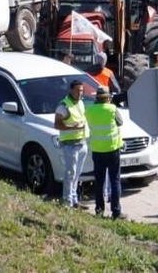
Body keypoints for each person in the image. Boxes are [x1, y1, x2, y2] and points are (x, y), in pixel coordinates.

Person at [86, 85, 125, 219]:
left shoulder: (90, 110)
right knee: (114, 181)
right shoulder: (112, 109)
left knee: (99, 182)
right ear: (108, 98)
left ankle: (99, 210)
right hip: (112, 149)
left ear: (96, 97)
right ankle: (116, 212)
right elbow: (120, 122)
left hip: (97, 150)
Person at [54, 79, 91, 208]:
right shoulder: (64, 106)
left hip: (81, 142)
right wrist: (73, 127)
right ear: (71, 90)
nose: (80, 93)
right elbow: (57, 124)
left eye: (81, 91)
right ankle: (67, 201)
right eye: (77, 91)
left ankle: (74, 200)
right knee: (70, 173)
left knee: (77, 174)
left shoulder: (80, 103)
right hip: (70, 145)